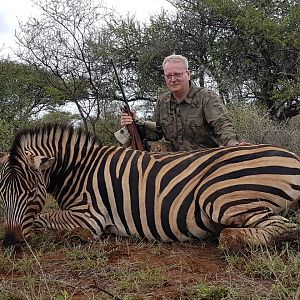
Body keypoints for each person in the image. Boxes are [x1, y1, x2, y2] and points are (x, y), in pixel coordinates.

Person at [115, 54, 246, 151]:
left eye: (177, 74)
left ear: (188, 74)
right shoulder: (162, 101)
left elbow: (222, 125)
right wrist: (132, 124)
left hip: (207, 161)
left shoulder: (206, 97)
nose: (173, 79)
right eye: (169, 76)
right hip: (176, 164)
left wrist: (233, 143)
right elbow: (156, 132)